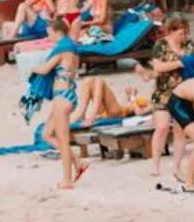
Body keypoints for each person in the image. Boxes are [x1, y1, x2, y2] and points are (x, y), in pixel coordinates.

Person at [28, 19, 128, 190]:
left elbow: (45, 69)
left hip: (62, 97)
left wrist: (32, 69)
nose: (48, 36)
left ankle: (67, 180)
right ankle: (78, 163)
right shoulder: (72, 49)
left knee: (63, 141)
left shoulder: (63, 49)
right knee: (47, 134)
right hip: (65, 95)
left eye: (50, 33)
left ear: (58, 32)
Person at [145, 13, 194, 191]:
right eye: (180, 33)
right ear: (170, 32)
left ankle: (176, 166)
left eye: (185, 33)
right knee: (162, 127)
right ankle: (155, 164)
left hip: (183, 93)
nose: (183, 37)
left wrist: (193, 68)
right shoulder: (160, 45)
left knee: (180, 130)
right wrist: (180, 63)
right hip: (164, 92)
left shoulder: (189, 45)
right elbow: (158, 67)